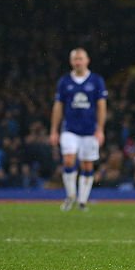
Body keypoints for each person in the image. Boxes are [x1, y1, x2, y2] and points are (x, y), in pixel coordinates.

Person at [49, 48, 108, 211]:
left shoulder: (96, 81)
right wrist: (54, 130)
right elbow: (58, 106)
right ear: (71, 61)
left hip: (90, 130)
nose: (78, 62)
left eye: (80, 59)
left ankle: (82, 201)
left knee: (87, 165)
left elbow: (101, 106)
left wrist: (100, 129)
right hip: (69, 129)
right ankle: (70, 196)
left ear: (87, 60)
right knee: (68, 160)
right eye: (75, 59)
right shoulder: (65, 81)